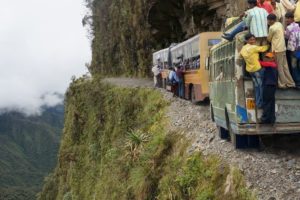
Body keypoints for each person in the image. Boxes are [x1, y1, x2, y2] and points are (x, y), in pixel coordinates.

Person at [240, 33, 269, 108]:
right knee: (261, 86)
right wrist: (269, 45)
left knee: (256, 86)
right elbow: (264, 48)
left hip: (250, 70)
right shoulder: (253, 47)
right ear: (247, 40)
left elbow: (241, 55)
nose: (253, 41)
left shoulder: (243, 48)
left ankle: (258, 103)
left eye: (253, 39)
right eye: (251, 39)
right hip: (257, 69)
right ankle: (261, 103)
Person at [267, 13, 296, 88]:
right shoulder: (279, 24)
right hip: (283, 48)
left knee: (279, 67)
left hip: (276, 49)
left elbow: (269, 39)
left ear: (271, 20)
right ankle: (291, 83)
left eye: (269, 20)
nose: (268, 21)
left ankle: (282, 84)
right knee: (285, 67)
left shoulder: (272, 28)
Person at [260, 53, 278, 124]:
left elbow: (262, 63)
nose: (268, 59)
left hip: (269, 86)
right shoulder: (270, 65)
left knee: (267, 102)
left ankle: (265, 119)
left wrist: (256, 61)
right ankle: (272, 119)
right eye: (267, 57)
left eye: (270, 57)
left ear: (273, 59)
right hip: (271, 85)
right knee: (271, 102)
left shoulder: (272, 64)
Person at [285, 12, 300, 86]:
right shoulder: (298, 25)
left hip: (293, 49)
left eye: (287, 18)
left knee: (293, 65)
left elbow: (287, 37)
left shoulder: (288, 27)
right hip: (299, 48)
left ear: (291, 18)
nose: (286, 20)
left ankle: (297, 82)